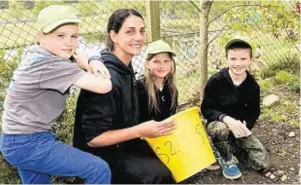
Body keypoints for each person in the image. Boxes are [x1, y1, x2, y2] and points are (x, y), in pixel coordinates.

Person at [0, 5, 112, 184]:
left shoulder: (36, 55)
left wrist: (81, 63)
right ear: (40, 37)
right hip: (29, 142)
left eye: (74, 36)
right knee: (97, 169)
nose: (69, 42)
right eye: (60, 35)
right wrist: (93, 60)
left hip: (17, 140)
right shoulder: (50, 65)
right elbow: (104, 86)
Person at [73, 9, 176, 184]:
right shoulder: (105, 76)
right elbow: (93, 139)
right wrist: (140, 130)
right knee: (159, 175)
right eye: (130, 31)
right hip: (102, 157)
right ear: (114, 35)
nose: (139, 37)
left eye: (142, 31)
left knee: (172, 157)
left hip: (124, 145)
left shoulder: (125, 70)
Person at [201, 37, 270, 180]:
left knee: (262, 164)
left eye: (243, 59)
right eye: (233, 59)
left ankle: (234, 145)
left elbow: (254, 112)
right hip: (219, 123)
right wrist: (226, 119)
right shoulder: (216, 81)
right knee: (221, 130)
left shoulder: (252, 86)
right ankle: (225, 157)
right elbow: (207, 109)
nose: (238, 64)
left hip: (239, 128)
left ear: (250, 60)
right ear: (227, 59)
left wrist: (246, 126)